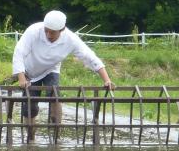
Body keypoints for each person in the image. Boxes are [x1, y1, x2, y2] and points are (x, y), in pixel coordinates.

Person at [12, 10, 114, 141]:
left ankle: (56, 134)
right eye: (46, 30)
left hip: (51, 69)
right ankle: (30, 137)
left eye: (52, 32)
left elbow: (90, 57)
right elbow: (19, 52)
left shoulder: (70, 39)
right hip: (30, 70)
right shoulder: (34, 31)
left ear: (62, 30)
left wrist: (107, 80)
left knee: (55, 96)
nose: (48, 34)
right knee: (30, 105)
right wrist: (21, 77)